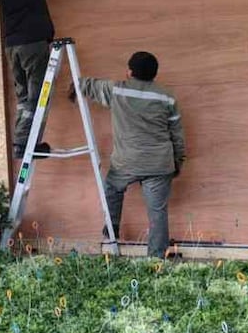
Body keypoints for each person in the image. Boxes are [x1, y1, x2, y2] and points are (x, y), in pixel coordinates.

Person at [72, 51, 186, 258]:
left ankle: (112, 230)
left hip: (126, 163)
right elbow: (177, 134)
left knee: (112, 189)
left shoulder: (117, 90)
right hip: (159, 164)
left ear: (129, 72)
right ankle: (156, 258)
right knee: (157, 212)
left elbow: (90, 85)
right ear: (154, 74)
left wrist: (75, 86)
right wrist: (178, 161)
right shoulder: (167, 97)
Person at [0, 0, 55, 159]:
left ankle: (21, 141)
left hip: (12, 46)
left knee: (24, 97)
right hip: (33, 42)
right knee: (39, 95)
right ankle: (28, 143)